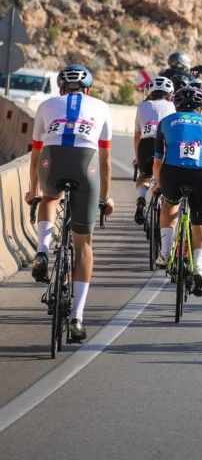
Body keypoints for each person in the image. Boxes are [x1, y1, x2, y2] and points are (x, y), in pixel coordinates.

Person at [25, 64, 115, 343]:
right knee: (84, 245)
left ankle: (42, 250)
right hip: (85, 165)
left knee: (50, 198)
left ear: (61, 88)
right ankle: (77, 318)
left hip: (52, 160)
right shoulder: (101, 107)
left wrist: (33, 191)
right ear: (88, 89)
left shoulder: (46, 105)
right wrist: (104, 198)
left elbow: (35, 155)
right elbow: (105, 161)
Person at [153, 84, 202, 299]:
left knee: (169, 204)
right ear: (201, 106)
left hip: (173, 173)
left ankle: (165, 253)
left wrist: (158, 184)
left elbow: (158, 161)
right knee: (201, 224)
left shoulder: (166, 122)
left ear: (176, 104)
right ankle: (199, 268)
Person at [133, 76, 175, 225]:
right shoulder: (173, 106)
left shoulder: (142, 106)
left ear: (150, 92)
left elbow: (137, 135)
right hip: (165, 143)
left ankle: (141, 199)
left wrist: (138, 158)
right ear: (170, 94)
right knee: (166, 179)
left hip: (146, 143)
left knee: (144, 176)